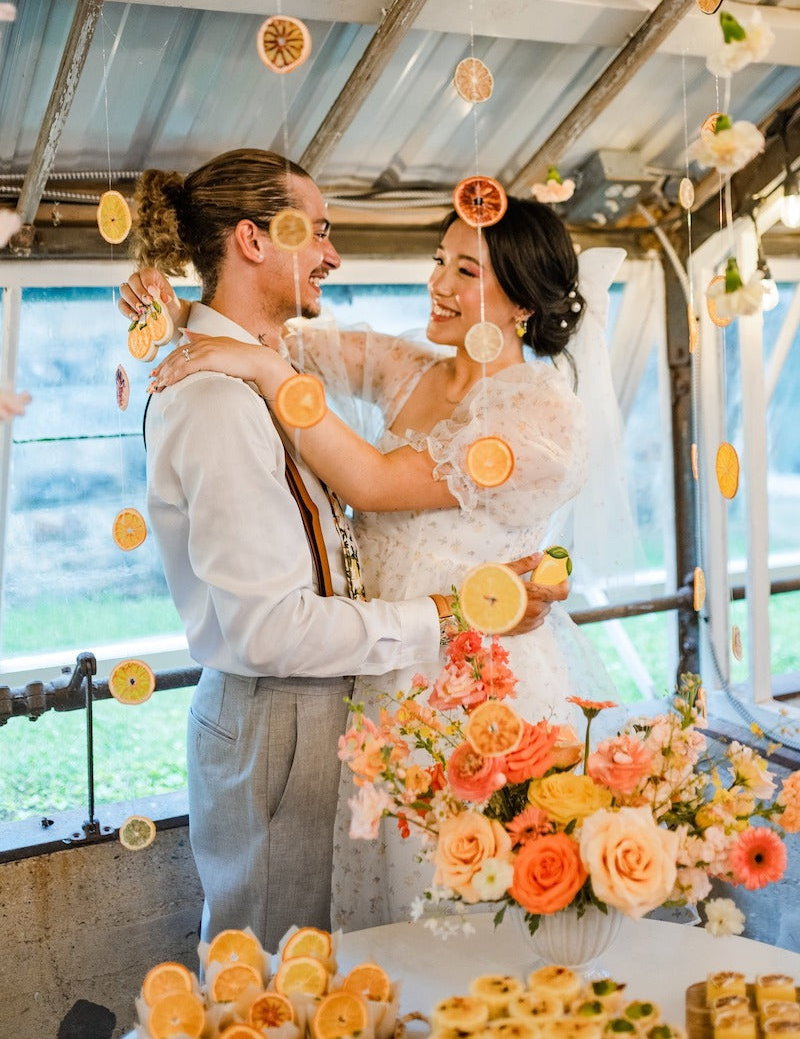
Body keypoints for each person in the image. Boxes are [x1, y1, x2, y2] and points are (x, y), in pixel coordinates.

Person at [126, 192, 628, 931]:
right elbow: (262, 330)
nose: (439, 285)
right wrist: (166, 312)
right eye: (438, 262)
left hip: (477, 681)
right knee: (376, 914)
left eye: (466, 271)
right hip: (375, 673)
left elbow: (371, 484)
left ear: (522, 302)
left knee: (468, 892)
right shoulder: (407, 366)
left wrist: (266, 374)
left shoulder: (540, 417)